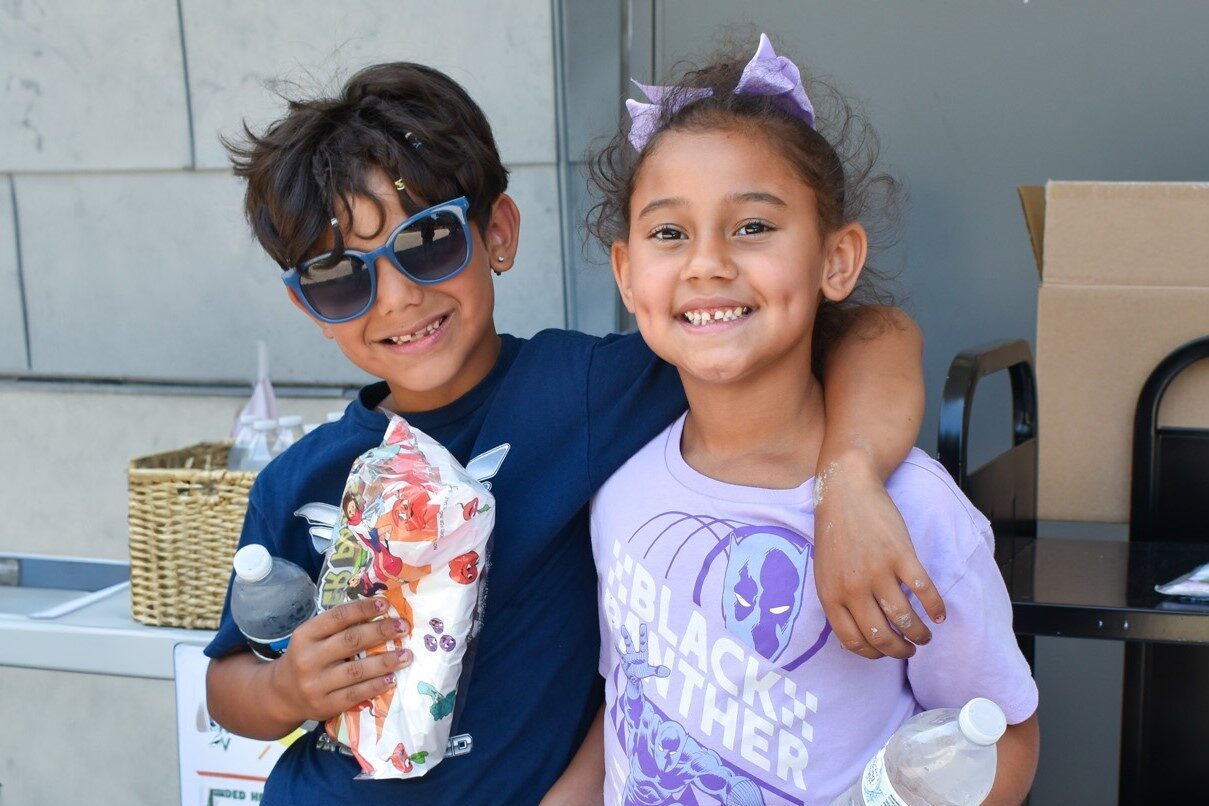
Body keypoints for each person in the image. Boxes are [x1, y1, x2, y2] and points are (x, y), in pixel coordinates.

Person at [203, 61, 939, 804]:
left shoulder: (586, 391)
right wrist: (283, 690)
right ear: (308, 306)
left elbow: (869, 332)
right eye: (339, 277)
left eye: (427, 242)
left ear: (498, 232)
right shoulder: (296, 481)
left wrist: (848, 482)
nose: (396, 298)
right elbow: (225, 682)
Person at [582, 35, 1039, 806]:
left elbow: (1002, 738)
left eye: (752, 226)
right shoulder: (621, 492)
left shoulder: (915, 512)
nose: (705, 263)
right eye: (668, 233)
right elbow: (633, 700)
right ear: (628, 275)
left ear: (836, 260)